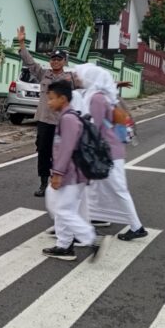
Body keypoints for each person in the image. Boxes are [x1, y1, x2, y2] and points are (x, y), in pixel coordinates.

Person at [73, 63, 147, 241]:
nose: (77, 78)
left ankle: (137, 227)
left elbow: (94, 127)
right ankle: (84, 224)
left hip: (108, 151)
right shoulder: (101, 95)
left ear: (90, 78)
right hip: (110, 149)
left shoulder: (96, 98)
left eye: (80, 75)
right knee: (90, 188)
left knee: (117, 188)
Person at [42, 80, 101, 261]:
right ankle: (64, 245)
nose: (48, 102)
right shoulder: (69, 116)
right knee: (60, 207)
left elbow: (67, 148)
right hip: (72, 173)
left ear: (63, 98)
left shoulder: (68, 119)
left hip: (71, 174)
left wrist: (58, 174)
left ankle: (89, 238)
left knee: (62, 210)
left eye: (51, 99)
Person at [16, 25, 74, 197]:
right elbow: (30, 63)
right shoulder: (44, 75)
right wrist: (22, 44)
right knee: (43, 152)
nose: (55, 61)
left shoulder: (69, 79)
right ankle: (43, 183)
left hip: (61, 123)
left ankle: (58, 179)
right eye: (53, 59)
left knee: (60, 153)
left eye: (59, 59)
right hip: (44, 121)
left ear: (64, 61)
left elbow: (88, 85)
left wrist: (114, 85)